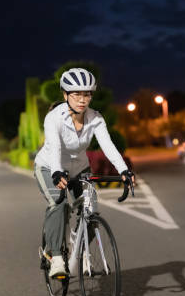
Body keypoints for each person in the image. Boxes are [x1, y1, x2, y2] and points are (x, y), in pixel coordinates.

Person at [33, 68, 136, 278]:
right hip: (49, 167)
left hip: (80, 168)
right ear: (65, 95)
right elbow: (55, 148)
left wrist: (123, 169)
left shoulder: (95, 118)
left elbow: (108, 145)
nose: (82, 100)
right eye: (76, 94)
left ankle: (75, 240)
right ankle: (56, 258)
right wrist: (57, 173)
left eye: (87, 94)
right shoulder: (54, 118)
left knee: (91, 212)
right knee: (58, 203)